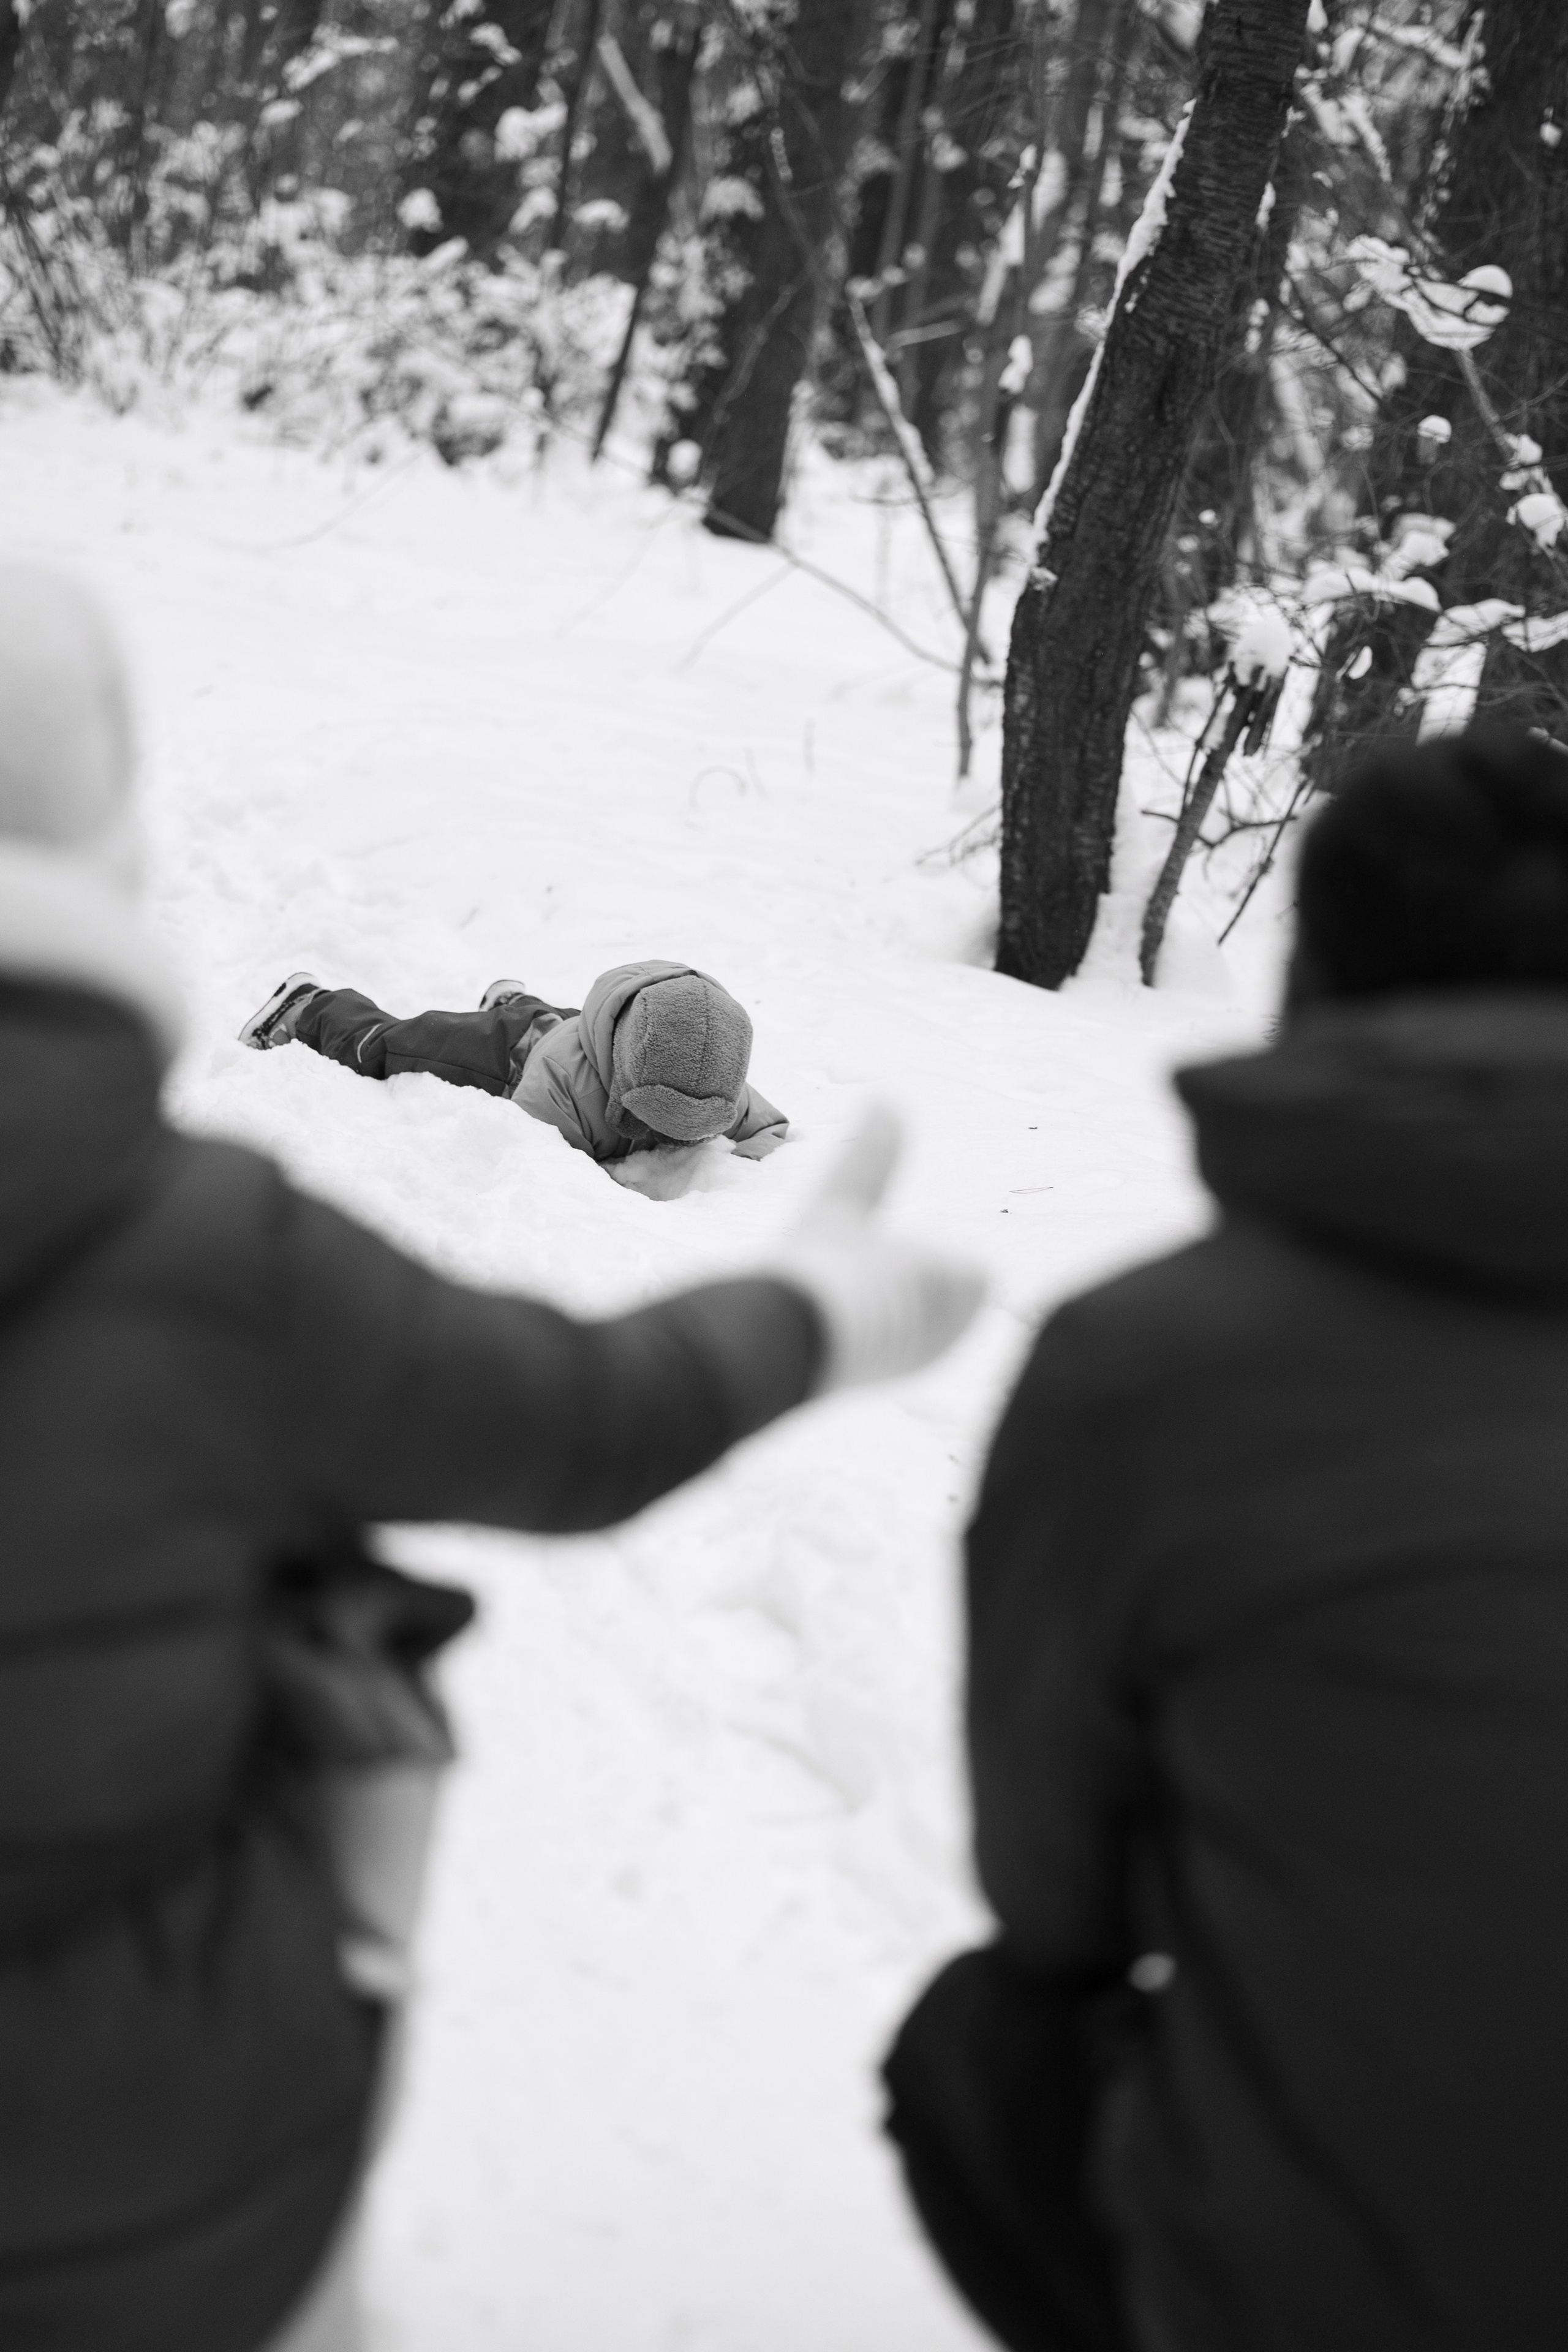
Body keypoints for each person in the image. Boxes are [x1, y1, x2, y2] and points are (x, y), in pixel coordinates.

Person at [0, 562, 981, 2352]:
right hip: (189, 2187)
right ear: (106, 864)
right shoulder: (218, 1247)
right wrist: (817, 1315)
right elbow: (580, 1413)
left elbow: (703, 1106)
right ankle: (314, 998)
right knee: (415, 1032)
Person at [885, 726, 1568, 2352]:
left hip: (1318, 2298)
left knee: (985, 2042)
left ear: (1316, 979)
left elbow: (1055, 1897)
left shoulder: (1150, 1370)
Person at [239, 962, 788, 1165]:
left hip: (574, 1026)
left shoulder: (710, 1077)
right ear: (627, 1078)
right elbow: (541, 1166)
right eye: (659, 1119)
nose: (677, 1139)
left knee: (555, 1019)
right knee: (388, 1047)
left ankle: (513, 1002)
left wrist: (740, 1165)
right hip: (511, 1057)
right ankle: (311, 1005)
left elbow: (770, 1130)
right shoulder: (560, 1085)